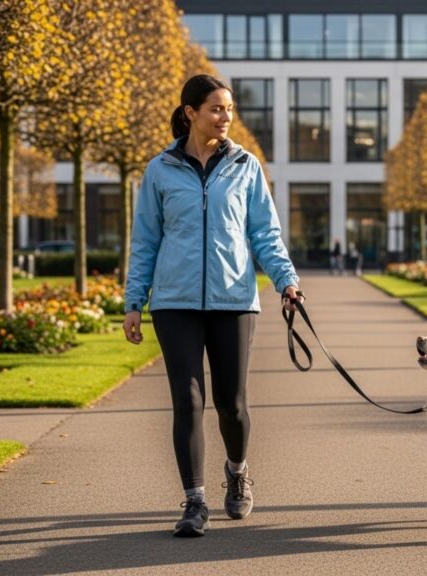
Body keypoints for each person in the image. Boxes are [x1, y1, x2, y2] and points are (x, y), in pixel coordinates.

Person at [122, 74, 302, 538]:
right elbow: (145, 239)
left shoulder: (245, 165)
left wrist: (287, 281)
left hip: (233, 300)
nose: (226, 117)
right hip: (174, 302)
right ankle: (194, 500)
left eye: (229, 109)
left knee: (232, 403)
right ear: (191, 113)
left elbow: (264, 233)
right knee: (187, 399)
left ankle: (237, 472)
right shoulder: (160, 169)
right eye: (217, 109)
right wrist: (133, 301)